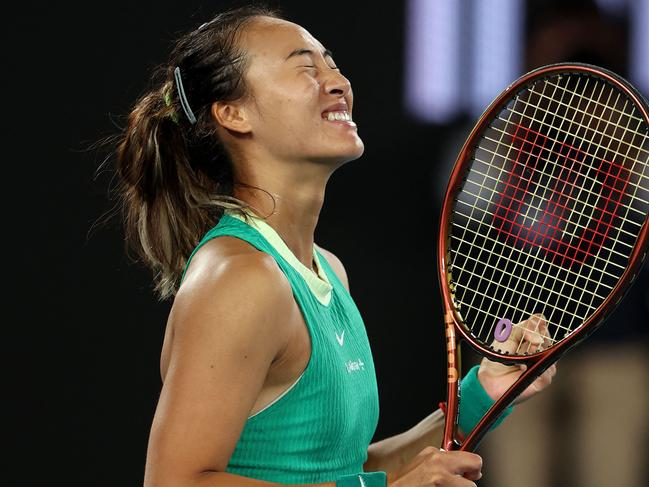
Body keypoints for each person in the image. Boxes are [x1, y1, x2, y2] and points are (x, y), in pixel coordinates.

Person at [113, 5, 556, 486]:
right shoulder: (239, 276)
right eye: (305, 67)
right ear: (233, 113)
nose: (338, 81)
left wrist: (483, 395)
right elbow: (176, 482)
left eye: (332, 63)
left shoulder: (327, 269)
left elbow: (341, 474)